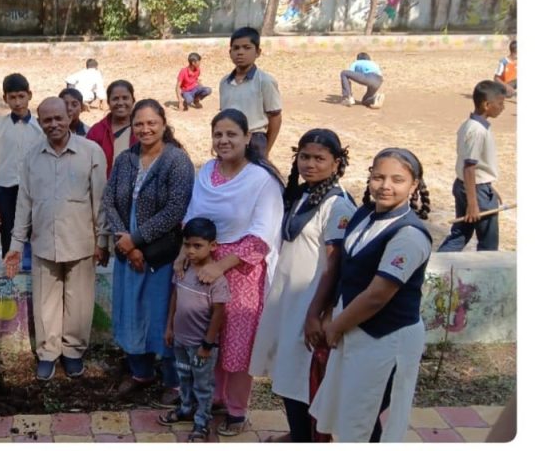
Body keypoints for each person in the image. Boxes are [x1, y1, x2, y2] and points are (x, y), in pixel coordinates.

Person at [309, 148, 433, 443]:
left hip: (385, 339)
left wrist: (336, 327)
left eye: (397, 179)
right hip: (355, 329)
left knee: (368, 414)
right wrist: (329, 312)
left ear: (413, 185)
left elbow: (378, 294)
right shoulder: (364, 214)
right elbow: (345, 268)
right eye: (378, 177)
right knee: (351, 411)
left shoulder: (409, 235)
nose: (385, 186)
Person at [247, 129, 356, 443]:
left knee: (303, 377)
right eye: (305, 157)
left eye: (320, 159)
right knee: (288, 371)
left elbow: (335, 265)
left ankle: (307, 439)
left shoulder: (337, 206)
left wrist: (316, 314)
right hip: (288, 300)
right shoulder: (303, 195)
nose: (310, 164)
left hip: (310, 303)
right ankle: (297, 435)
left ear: (336, 163)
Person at [180, 108, 284, 436]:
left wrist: (220, 266)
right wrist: (186, 254)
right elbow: (192, 214)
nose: (223, 141)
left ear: (247, 138)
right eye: (218, 135)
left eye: (231, 134)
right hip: (203, 266)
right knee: (208, 336)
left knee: (238, 343)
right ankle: (214, 398)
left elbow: (261, 235)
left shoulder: (261, 180)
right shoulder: (207, 171)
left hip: (241, 272)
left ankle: (237, 410)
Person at [4, 97, 109, 380]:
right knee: (44, 302)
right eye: (47, 120)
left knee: (80, 302)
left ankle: (73, 351)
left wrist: (102, 241)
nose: (53, 124)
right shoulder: (31, 156)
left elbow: (100, 201)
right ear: (40, 122)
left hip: (81, 242)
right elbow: (23, 203)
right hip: (43, 243)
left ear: (70, 117)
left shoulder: (91, 152)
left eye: (58, 118)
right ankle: (48, 353)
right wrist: (16, 245)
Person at [103, 99, 194, 407]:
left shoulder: (177, 160)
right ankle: (141, 372)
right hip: (127, 252)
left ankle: (173, 380)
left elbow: (175, 210)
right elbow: (109, 201)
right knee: (130, 311)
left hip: (159, 255)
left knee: (160, 316)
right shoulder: (126, 159)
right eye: (138, 124)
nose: (145, 129)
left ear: (163, 124)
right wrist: (125, 243)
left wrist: (137, 241)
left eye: (151, 123)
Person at [158, 218, 229, 443]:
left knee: (203, 384)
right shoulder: (183, 269)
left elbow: (219, 314)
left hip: (201, 346)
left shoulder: (215, 280)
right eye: (187, 245)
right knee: (184, 377)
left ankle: (202, 422)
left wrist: (207, 345)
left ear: (213, 246)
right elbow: (175, 298)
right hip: (180, 341)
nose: (190, 250)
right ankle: (186, 408)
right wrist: (169, 327)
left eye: (197, 246)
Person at [438, 80, 507, 252]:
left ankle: (433, 273)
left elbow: (476, 165)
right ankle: (487, 276)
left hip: (471, 187)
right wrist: (473, 202)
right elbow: (469, 167)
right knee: (488, 243)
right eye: (500, 103)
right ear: (486, 104)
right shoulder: (477, 131)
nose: (503, 107)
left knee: (460, 234)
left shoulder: (470, 125)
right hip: (475, 191)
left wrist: (489, 186)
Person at [0, 73, 43, 269]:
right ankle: (9, 272)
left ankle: (35, 272)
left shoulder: (40, 127)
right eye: (12, 97)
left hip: (33, 188)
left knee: (35, 231)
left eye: (21, 96)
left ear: (29, 95)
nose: (17, 102)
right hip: (6, 189)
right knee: (8, 232)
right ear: (5, 99)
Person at [218, 27, 282, 158]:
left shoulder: (265, 81)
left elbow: (275, 117)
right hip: (228, 139)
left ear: (257, 52)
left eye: (246, 47)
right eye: (236, 48)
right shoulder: (224, 82)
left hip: (255, 140)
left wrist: (266, 149)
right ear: (230, 52)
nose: (240, 52)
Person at [86, 80, 138, 176]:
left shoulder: (142, 129)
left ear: (133, 100)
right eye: (115, 99)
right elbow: (87, 163)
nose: (120, 102)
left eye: (125, 98)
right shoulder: (97, 131)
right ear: (108, 102)